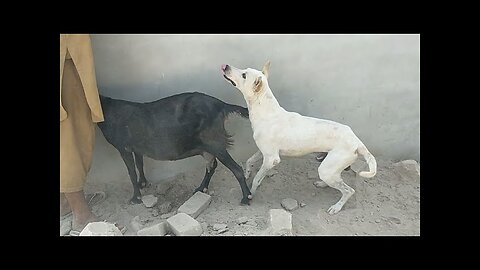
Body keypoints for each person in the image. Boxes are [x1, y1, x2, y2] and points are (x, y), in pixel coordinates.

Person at [60, 34, 106, 235]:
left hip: (68, 53)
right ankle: (81, 214)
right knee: (71, 134)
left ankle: (64, 201)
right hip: (65, 58)